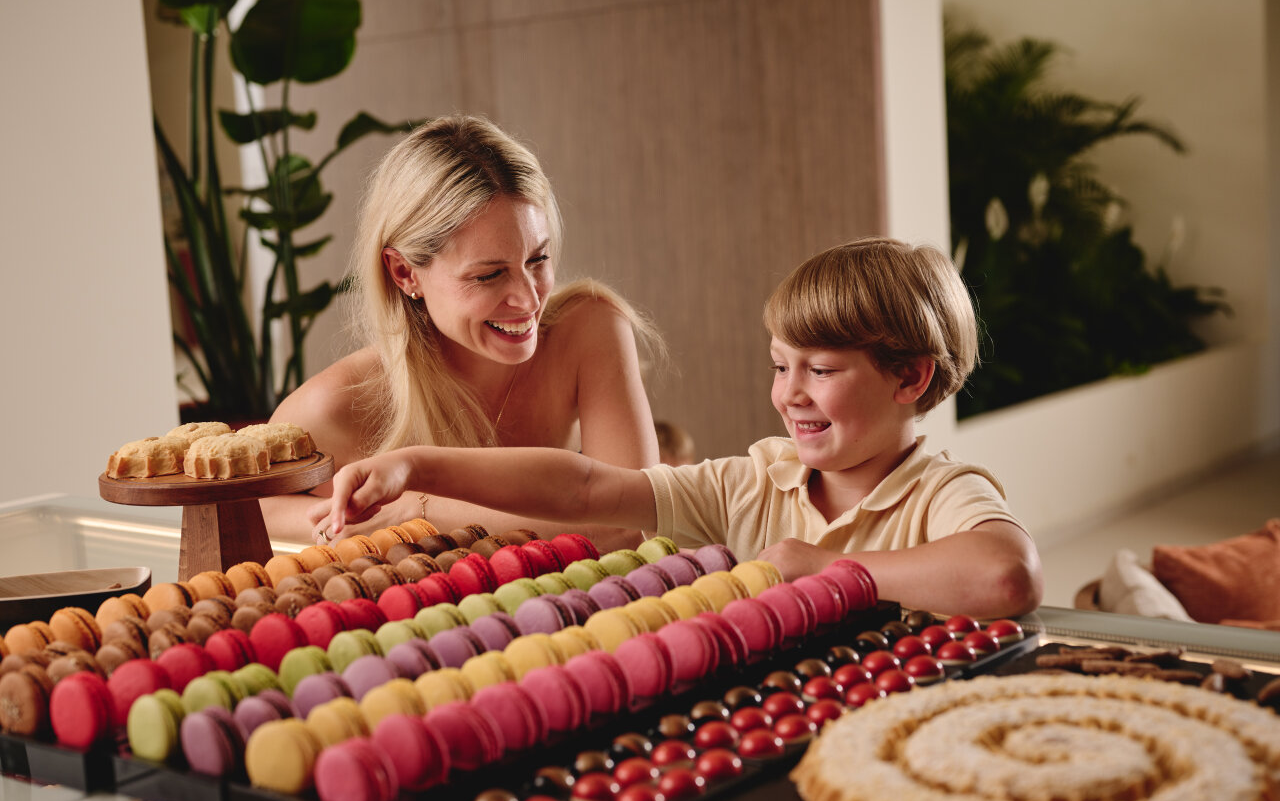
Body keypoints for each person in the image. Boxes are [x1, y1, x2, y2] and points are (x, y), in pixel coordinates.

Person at [309, 237, 1044, 618]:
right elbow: (589, 484)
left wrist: (827, 573)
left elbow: (1006, 573)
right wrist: (419, 467)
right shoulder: (750, 480)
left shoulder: (941, 493)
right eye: (779, 366)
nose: (789, 395)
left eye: (820, 370)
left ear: (910, 377)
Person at [263, 115, 661, 548]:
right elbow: (250, 514)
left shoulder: (589, 328)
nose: (529, 300)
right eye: (489, 275)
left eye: (537, 260)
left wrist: (414, 510)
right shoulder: (338, 404)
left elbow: (632, 523)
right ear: (403, 273)